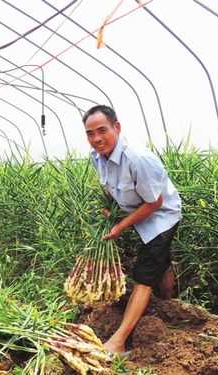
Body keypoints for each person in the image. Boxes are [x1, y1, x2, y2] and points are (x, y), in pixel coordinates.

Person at [83, 104, 182, 355]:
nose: (96, 138)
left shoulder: (138, 159)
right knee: (157, 261)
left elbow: (155, 202)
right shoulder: (97, 156)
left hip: (161, 216)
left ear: (117, 127)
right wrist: (113, 211)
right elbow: (110, 187)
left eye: (102, 130)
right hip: (136, 213)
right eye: (90, 133)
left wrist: (120, 226)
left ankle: (118, 341)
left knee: (143, 275)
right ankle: (169, 302)